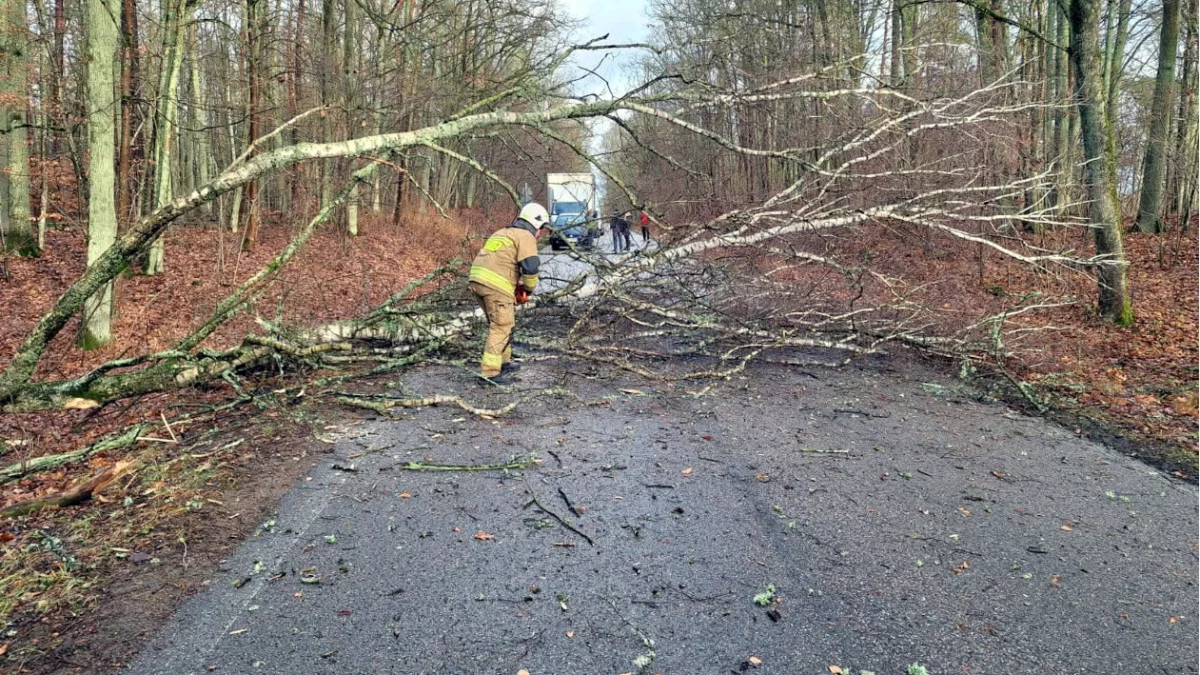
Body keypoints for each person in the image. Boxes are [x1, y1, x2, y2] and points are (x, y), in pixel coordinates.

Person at [468, 202, 547, 384]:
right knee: (501, 326)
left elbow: (501, 261)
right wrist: (527, 290)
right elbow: (531, 267)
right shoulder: (525, 236)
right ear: (535, 224)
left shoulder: (502, 232)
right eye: (541, 229)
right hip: (496, 285)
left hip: (477, 280)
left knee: (502, 324)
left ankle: (504, 362)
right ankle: (489, 374)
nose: (540, 233)